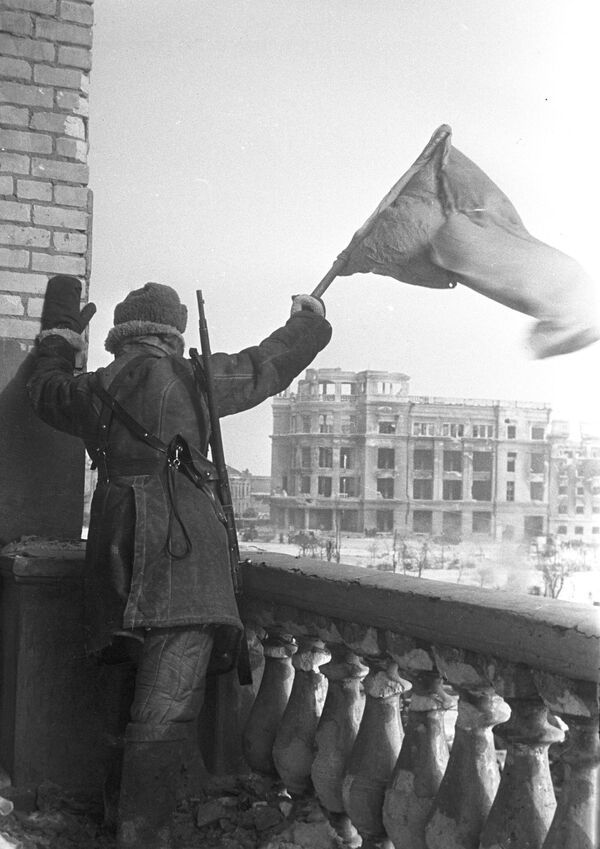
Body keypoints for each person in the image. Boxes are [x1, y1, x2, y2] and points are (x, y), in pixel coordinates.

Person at [27, 275, 332, 849]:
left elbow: (43, 390)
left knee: (126, 692)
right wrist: (307, 321)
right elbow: (267, 365)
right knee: (164, 708)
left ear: (121, 335)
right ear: (173, 334)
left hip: (115, 554)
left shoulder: (92, 387)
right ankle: (143, 838)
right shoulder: (196, 379)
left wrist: (62, 328)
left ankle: (121, 824)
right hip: (185, 558)